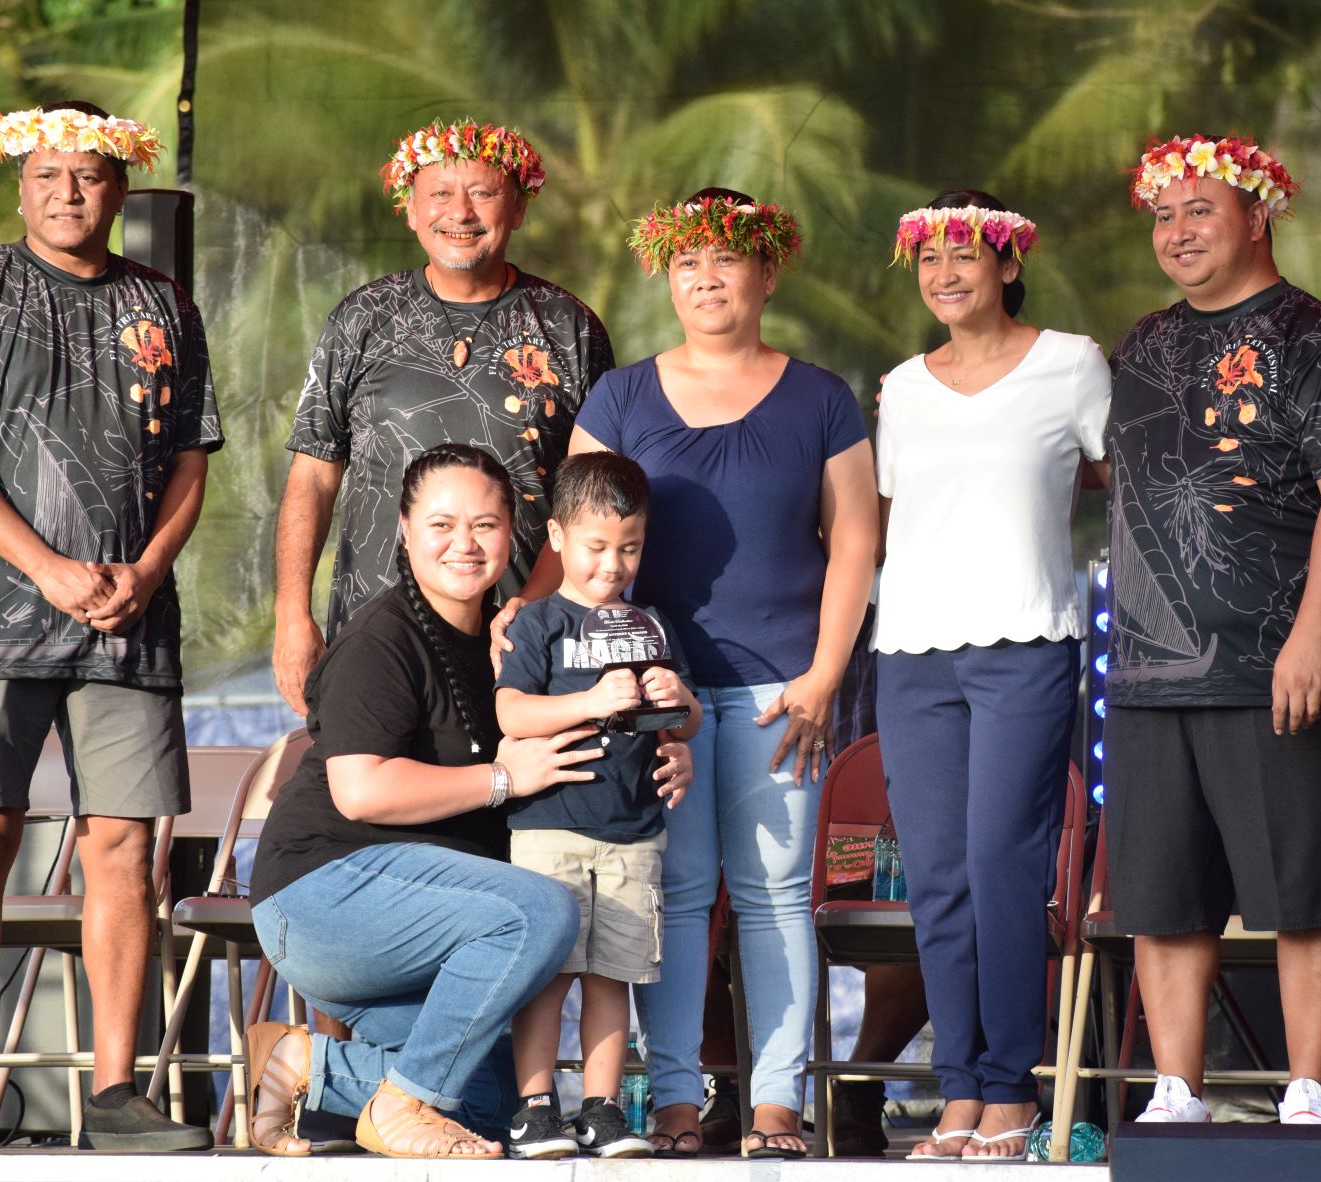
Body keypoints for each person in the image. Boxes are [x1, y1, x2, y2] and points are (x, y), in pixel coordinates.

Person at [505, 188, 877, 1157]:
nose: (706, 280)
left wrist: (825, 675)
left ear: (767, 270)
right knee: (671, 895)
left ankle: (776, 1105)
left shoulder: (823, 398)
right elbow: (578, 539)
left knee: (773, 895)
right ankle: (673, 1100)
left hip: (777, 693)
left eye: (725, 261)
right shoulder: (622, 395)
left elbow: (855, 546)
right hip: (639, 695)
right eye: (687, 264)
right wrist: (524, 620)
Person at [0, 101, 221, 1152]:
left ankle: (119, 1092)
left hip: (130, 620)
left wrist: (147, 568)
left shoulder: (163, 303)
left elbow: (189, 457)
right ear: (21, 184)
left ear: (121, 188)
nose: (69, 192)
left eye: (88, 175)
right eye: (48, 175)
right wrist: (43, 567)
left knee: (124, 849)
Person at [244, 444, 690, 1158]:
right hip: (325, 896)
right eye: (442, 524)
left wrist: (667, 742)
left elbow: (593, 724)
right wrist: (504, 780)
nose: (465, 543)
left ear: (514, 533)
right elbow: (360, 792)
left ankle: (303, 1067)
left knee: (487, 1105)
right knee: (545, 908)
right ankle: (398, 1106)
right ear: (404, 529)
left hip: (434, 922)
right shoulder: (380, 638)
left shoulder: (511, 638)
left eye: (484, 525)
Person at [1104, 135, 1321, 1127]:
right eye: (1164, 215)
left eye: (1200, 211)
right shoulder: (1139, 346)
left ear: (1258, 215)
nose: (1177, 233)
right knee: (1160, 894)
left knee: (1305, 884)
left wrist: (1312, 637)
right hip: (1149, 669)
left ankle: (1308, 1091)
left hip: (1279, 664)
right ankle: (1177, 1092)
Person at [871, 192, 1108, 1160]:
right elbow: (885, 514)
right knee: (934, 879)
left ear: (1009, 264)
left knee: (1002, 867)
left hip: (1025, 646)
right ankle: (958, 1088)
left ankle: (1011, 1085)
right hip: (912, 654)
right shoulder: (899, 387)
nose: (944, 275)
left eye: (964, 256)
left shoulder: (1072, 364)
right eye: (928, 262)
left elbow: (1110, 478)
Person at [272, 117, 614, 716]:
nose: (460, 213)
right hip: (379, 628)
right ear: (409, 210)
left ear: (519, 209)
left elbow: (588, 499)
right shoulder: (364, 318)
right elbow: (313, 476)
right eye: (440, 194)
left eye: (482, 192)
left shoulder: (569, 326)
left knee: (514, 796)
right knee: (378, 790)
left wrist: (533, 605)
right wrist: (291, 615)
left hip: (521, 637)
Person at [496, 451, 702, 1159]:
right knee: (548, 975)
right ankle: (533, 1107)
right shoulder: (540, 623)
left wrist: (682, 710)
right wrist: (588, 701)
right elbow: (511, 715)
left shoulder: (651, 625)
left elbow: (684, 721)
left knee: (613, 974)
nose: (611, 565)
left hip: (634, 831)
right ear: (556, 537)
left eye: (629, 548)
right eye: (595, 547)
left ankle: (603, 1107)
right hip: (548, 830)